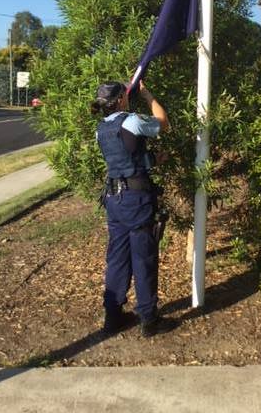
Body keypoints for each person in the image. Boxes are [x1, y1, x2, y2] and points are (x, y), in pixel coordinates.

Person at [91, 79, 172, 337]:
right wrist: (147, 94)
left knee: (117, 257)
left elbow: (123, 159)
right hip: (135, 200)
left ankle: (112, 316)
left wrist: (150, 160)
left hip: (113, 199)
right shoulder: (132, 121)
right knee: (143, 257)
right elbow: (163, 123)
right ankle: (149, 320)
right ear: (122, 100)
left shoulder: (101, 130)